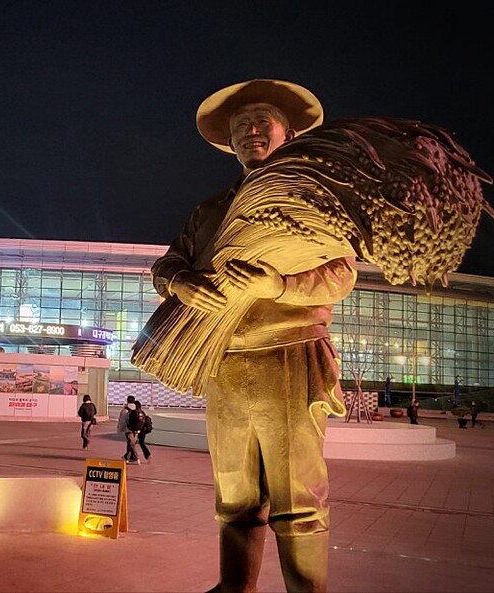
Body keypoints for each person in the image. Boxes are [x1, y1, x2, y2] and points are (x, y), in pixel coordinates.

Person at [150, 79, 355, 592]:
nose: (251, 131)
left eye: (263, 120)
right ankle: (233, 587)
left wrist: (280, 285)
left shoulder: (311, 199)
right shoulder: (211, 208)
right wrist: (178, 281)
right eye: (242, 125)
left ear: (288, 132)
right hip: (225, 359)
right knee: (235, 495)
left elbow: (342, 274)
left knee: (297, 497)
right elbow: (170, 259)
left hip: (290, 355)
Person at [116, 397, 141, 464]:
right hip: (136, 430)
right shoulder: (137, 408)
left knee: (131, 444)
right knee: (130, 444)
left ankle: (136, 458)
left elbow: (122, 421)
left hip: (128, 429)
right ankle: (127, 458)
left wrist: (119, 429)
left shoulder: (125, 410)